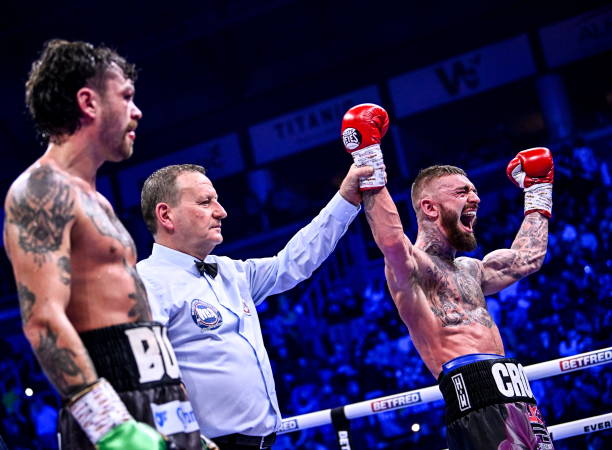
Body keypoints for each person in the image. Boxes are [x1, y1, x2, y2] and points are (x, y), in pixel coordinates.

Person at [3, 39, 202, 449]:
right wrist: (110, 425)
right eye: (126, 96)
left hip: (158, 396)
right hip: (114, 403)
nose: (137, 111)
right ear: (88, 102)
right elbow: (42, 318)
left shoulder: (96, 199)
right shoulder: (41, 190)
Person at [341, 104, 555, 449]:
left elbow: (528, 259)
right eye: (462, 192)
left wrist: (538, 190)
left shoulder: (473, 268)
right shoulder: (412, 268)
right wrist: (368, 155)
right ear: (429, 207)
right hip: (473, 399)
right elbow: (392, 240)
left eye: (474, 190)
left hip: (518, 395)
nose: (476, 198)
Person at [137, 162, 372, 449]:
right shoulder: (147, 282)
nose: (221, 211)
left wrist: (345, 199)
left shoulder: (229, 272)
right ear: (166, 215)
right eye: (205, 202)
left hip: (265, 441)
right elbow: (150, 377)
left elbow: (292, 264)